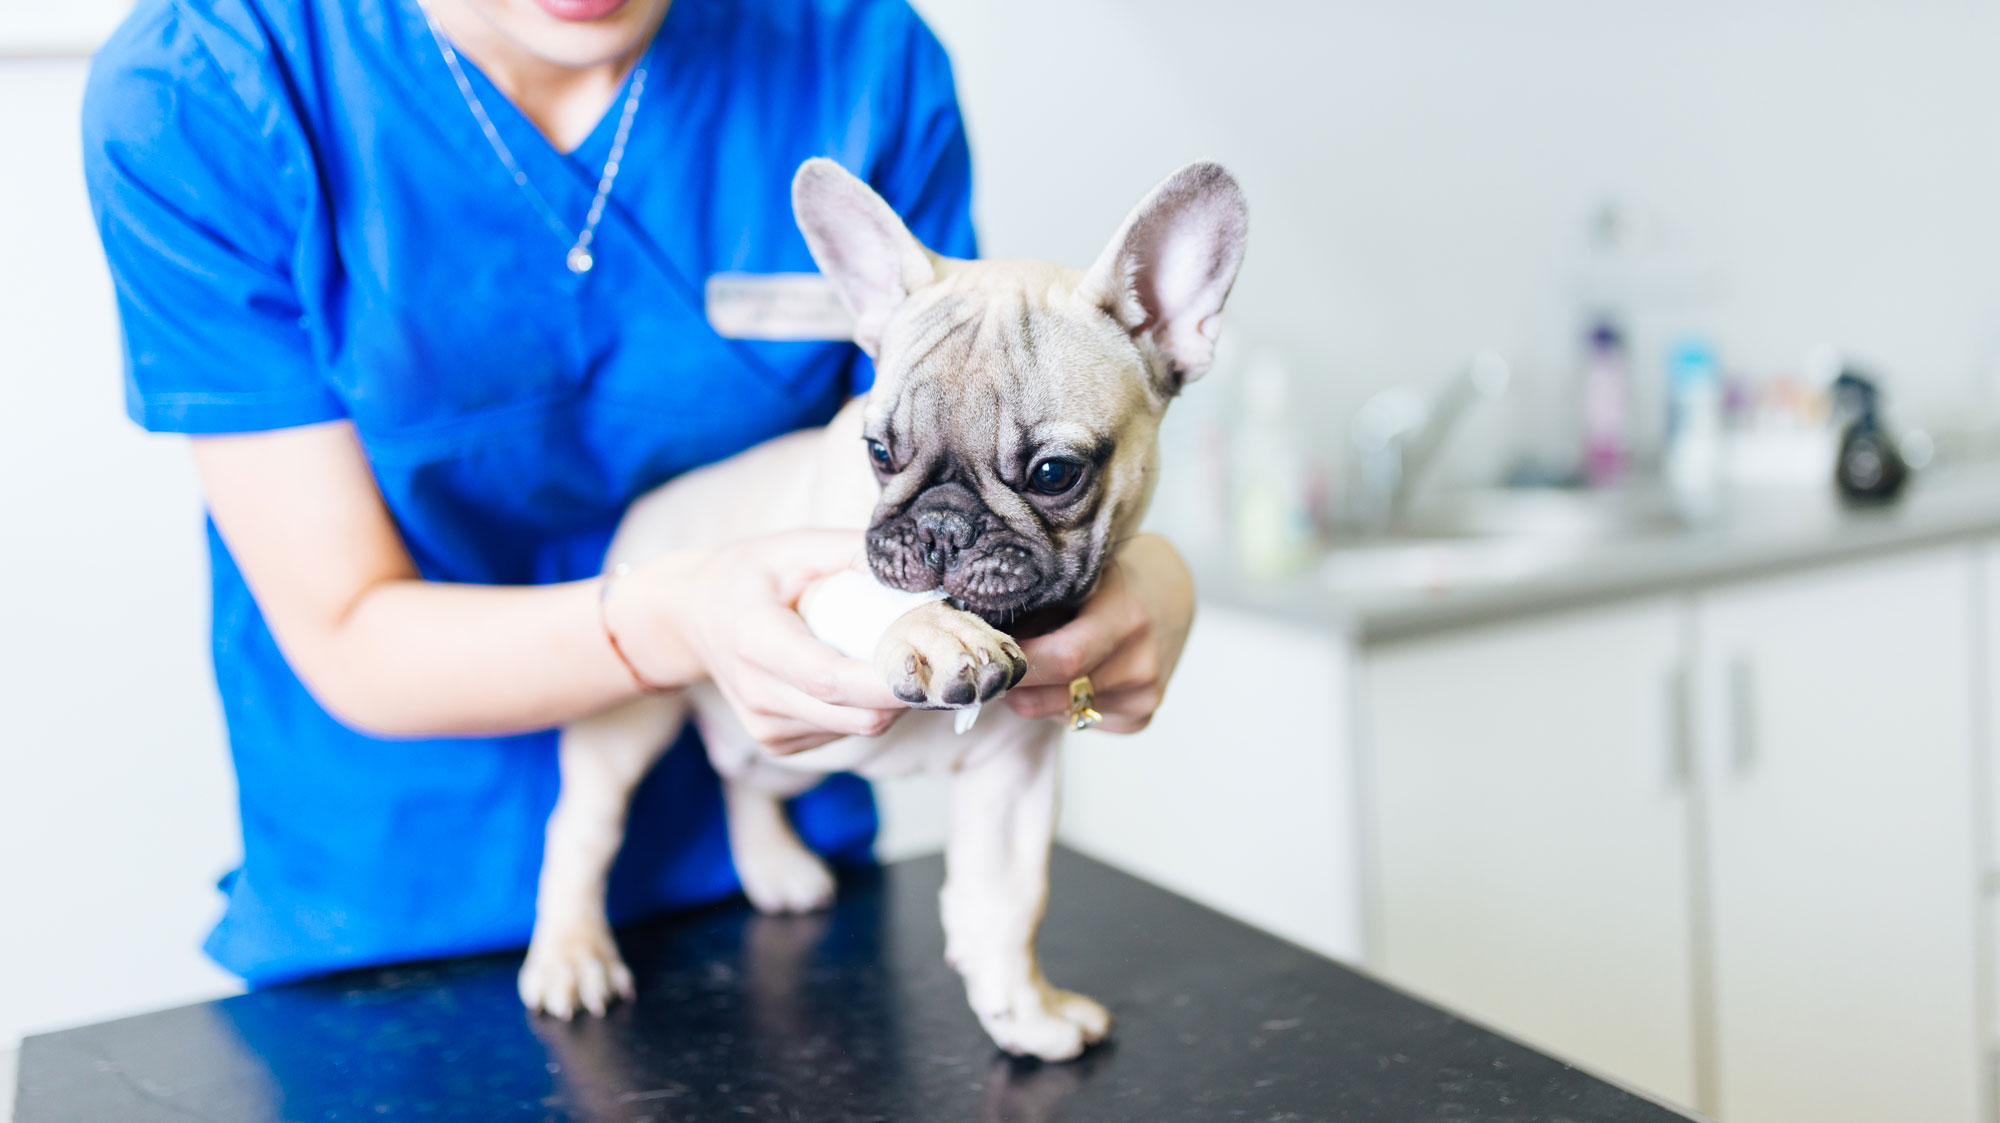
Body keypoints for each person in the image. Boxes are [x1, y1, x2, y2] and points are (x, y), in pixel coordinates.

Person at [82, 0, 1197, 988]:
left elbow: (998, 421)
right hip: (393, 902)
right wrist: (678, 616)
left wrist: (1136, 596)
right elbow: (345, 629)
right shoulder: (210, 84)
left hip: (790, 869)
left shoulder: (860, 56)